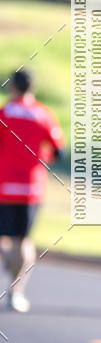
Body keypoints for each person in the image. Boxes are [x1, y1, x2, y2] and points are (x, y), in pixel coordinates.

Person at [0, 69, 65, 313]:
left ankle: (9, 262)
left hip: (4, 186)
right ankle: (16, 293)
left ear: (13, 87)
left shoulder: (4, 112)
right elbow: (59, 151)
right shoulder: (43, 114)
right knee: (24, 241)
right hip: (31, 188)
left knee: (7, 239)